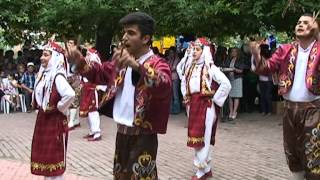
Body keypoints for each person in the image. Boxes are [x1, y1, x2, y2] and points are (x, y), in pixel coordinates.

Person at [67, 12, 172, 179]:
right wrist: (80, 62)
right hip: (121, 132)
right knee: (120, 175)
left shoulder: (157, 63)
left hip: (143, 135)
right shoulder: (121, 62)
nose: (124, 37)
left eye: (131, 33)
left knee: (142, 176)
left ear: (145, 39)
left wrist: (138, 66)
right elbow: (99, 73)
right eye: (124, 32)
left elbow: (164, 85)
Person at [251, 13, 320, 180]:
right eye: (298, 22)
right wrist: (256, 54)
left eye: (306, 22)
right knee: (292, 151)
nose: (300, 25)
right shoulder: (285, 49)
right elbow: (267, 67)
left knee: (313, 154)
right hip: (289, 108)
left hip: (313, 109)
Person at [177, 38, 231, 180]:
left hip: (206, 106)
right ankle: (206, 169)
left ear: (204, 51)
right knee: (196, 137)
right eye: (193, 49)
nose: (194, 52)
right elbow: (182, 80)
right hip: (193, 105)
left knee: (204, 138)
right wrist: (186, 97)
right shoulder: (189, 67)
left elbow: (226, 84)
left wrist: (215, 99)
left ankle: (201, 171)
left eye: (197, 49)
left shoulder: (210, 68)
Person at [30, 41, 75, 180]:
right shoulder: (44, 74)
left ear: (55, 57)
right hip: (43, 119)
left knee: (54, 157)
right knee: (45, 157)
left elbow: (70, 94)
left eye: (46, 55)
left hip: (54, 120)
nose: (42, 58)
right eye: (42, 55)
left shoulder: (58, 76)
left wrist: (59, 107)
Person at [79, 48, 104, 141]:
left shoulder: (95, 65)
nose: (87, 56)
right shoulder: (88, 65)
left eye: (88, 54)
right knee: (88, 111)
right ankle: (92, 131)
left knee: (93, 111)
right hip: (86, 90)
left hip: (92, 90)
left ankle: (97, 132)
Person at [226, 48, 244, 120]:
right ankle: (230, 111)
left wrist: (234, 69)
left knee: (236, 96)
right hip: (230, 79)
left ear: (238, 52)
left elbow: (241, 71)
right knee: (230, 96)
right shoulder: (229, 59)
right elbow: (226, 67)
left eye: (234, 51)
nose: (233, 53)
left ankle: (234, 112)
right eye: (232, 51)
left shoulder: (240, 60)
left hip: (237, 79)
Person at [167, 46, 181, 114]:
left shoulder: (177, 59)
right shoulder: (169, 59)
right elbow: (168, 67)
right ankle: (171, 109)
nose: (171, 54)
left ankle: (176, 109)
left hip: (175, 78)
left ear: (174, 53)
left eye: (172, 53)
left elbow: (173, 68)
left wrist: (168, 68)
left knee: (175, 94)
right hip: (170, 78)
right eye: (170, 53)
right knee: (170, 95)